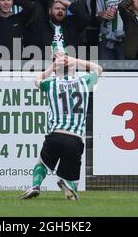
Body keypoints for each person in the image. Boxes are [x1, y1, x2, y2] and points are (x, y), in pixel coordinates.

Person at [20, 52, 102, 200]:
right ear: (72, 68)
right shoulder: (83, 82)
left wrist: (52, 67)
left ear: (57, 69)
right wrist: (76, 61)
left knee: (42, 164)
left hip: (55, 135)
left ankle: (36, 185)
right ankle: (68, 184)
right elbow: (99, 70)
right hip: (75, 139)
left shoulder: (51, 84)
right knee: (72, 175)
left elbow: (37, 79)